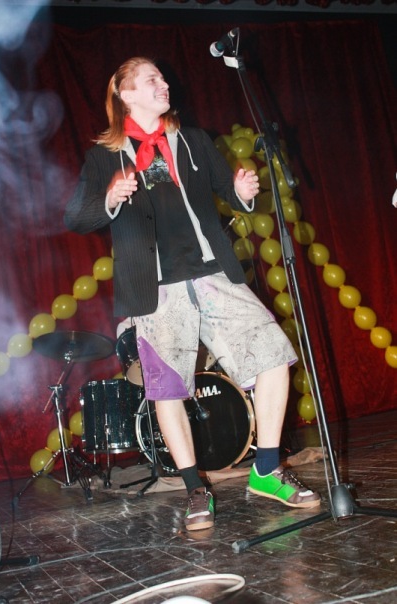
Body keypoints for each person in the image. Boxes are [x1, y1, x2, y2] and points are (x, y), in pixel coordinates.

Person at [65, 56, 320, 531]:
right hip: (157, 289)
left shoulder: (194, 140)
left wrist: (244, 192)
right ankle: (194, 490)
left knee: (273, 355)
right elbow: (76, 216)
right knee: (168, 391)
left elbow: (228, 191)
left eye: (163, 77)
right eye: (152, 79)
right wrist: (109, 199)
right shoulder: (104, 157)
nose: (164, 83)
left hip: (213, 273)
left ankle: (266, 469)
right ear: (126, 94)